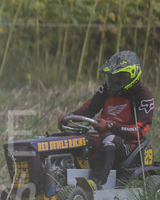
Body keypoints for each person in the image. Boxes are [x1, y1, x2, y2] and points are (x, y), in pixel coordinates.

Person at [61, 50, 154, 189]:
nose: (115, 81)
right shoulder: (107, 88)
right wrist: (69, 117)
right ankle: (61, 178)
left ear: (133, 75)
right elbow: (90, 108)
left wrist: (111, 126)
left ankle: (95, 183)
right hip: (102, 134)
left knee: (109, 139)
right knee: (74, 140)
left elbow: (139, 131)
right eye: (112, 77)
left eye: (120, 77)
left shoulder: (143, 96)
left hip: (128, 145)